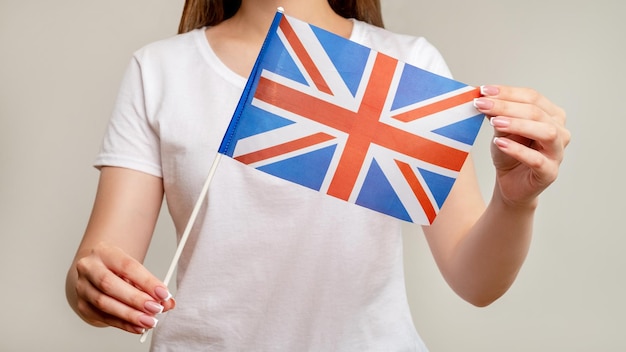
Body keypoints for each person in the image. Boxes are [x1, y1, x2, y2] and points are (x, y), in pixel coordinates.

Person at [65, 0, 570, 350]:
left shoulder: (407, 65)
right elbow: (100, 265)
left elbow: (475, 280)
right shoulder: (159, 71)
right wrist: (92, 288)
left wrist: (515, 201)